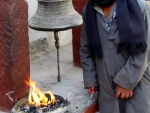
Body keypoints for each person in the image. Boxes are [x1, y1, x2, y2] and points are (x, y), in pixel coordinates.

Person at [80, 0, 150, 113]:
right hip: (106, 86)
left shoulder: (139, 7)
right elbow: (86, 48)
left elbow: (145, 50)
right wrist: (90, 77)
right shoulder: (89, 11)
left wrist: (127, 81)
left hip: (136, 84)